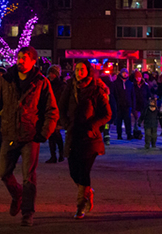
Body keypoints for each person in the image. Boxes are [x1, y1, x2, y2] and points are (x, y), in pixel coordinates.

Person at [0, 47, 59, 226]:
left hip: (30, 137)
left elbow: (51, 111)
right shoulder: (5, 80)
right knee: (3, 172)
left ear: (33, 61)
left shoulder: (41, 82)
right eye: (19, 57)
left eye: (25, 58)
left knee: (28, 177)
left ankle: (27, 213)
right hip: (8, 135)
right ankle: (18, 195)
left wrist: (44, 132)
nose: (21, 60)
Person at [58, 61, 111, 219]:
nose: (79, 72)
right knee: (74, 172)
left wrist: (93, 125)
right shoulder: (70, 86)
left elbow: (107, 114)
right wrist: (66, 123)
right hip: (73, 135)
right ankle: (88, 190)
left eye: (82, 69)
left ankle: (80, 206)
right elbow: (61, 107)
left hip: (89, 138)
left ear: (88, 71)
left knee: (83, 171)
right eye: (77, 69)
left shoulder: (96, 89)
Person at [45, 65, 66, 164]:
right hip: (49, 112)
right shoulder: (46, 84)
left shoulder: (62, 86)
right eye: (50, 73)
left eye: (53, 73)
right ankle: (54, 155)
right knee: (51, 134)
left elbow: (63, 101)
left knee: (55, 133)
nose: (51, 75)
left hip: (57, 112)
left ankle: (60, 154)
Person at [112, 68, 135, 140]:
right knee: (119, 121)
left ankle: (128, 134)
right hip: (119, 105)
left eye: (126, 73)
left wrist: (132, 105)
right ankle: (119, 134)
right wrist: (115, 104)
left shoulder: (129, 83)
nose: (125, 74)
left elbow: (132, 95)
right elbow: (113, 94)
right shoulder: (116, 83)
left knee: (127, 120)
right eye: (124, 73)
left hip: (127, 105)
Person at [99, 73, 118, 145]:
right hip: (107, 112)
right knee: (106, 125)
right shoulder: (110, 91)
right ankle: (106, 139)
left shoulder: (98, 88)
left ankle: (103, 138)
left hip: (101, 112)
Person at [131, 71, 150, 136]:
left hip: (144, 104)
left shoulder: (145, 85)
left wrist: (148, 102)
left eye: (139, 77)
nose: (138, 79)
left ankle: (137, 130)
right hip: (136, 104)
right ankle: (137, 131)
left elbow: (148, 95)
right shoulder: (133, 85)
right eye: (136, 77)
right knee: (137, 118)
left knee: (142, 118)